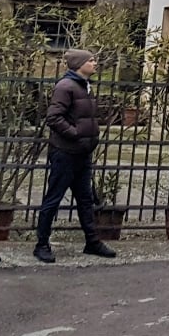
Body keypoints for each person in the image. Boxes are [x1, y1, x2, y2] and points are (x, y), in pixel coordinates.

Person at [34, 48, 117, 263]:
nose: (95, 63)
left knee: (85, 199)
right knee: (53, 198)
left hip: (82, 153)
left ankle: (92, 241)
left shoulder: (85, 86)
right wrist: (75, 134)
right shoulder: (65, 86)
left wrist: (90, 139)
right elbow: (54, 118)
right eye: (91, 60)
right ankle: (41, 244)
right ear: (79, 64)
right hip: (65, 153)